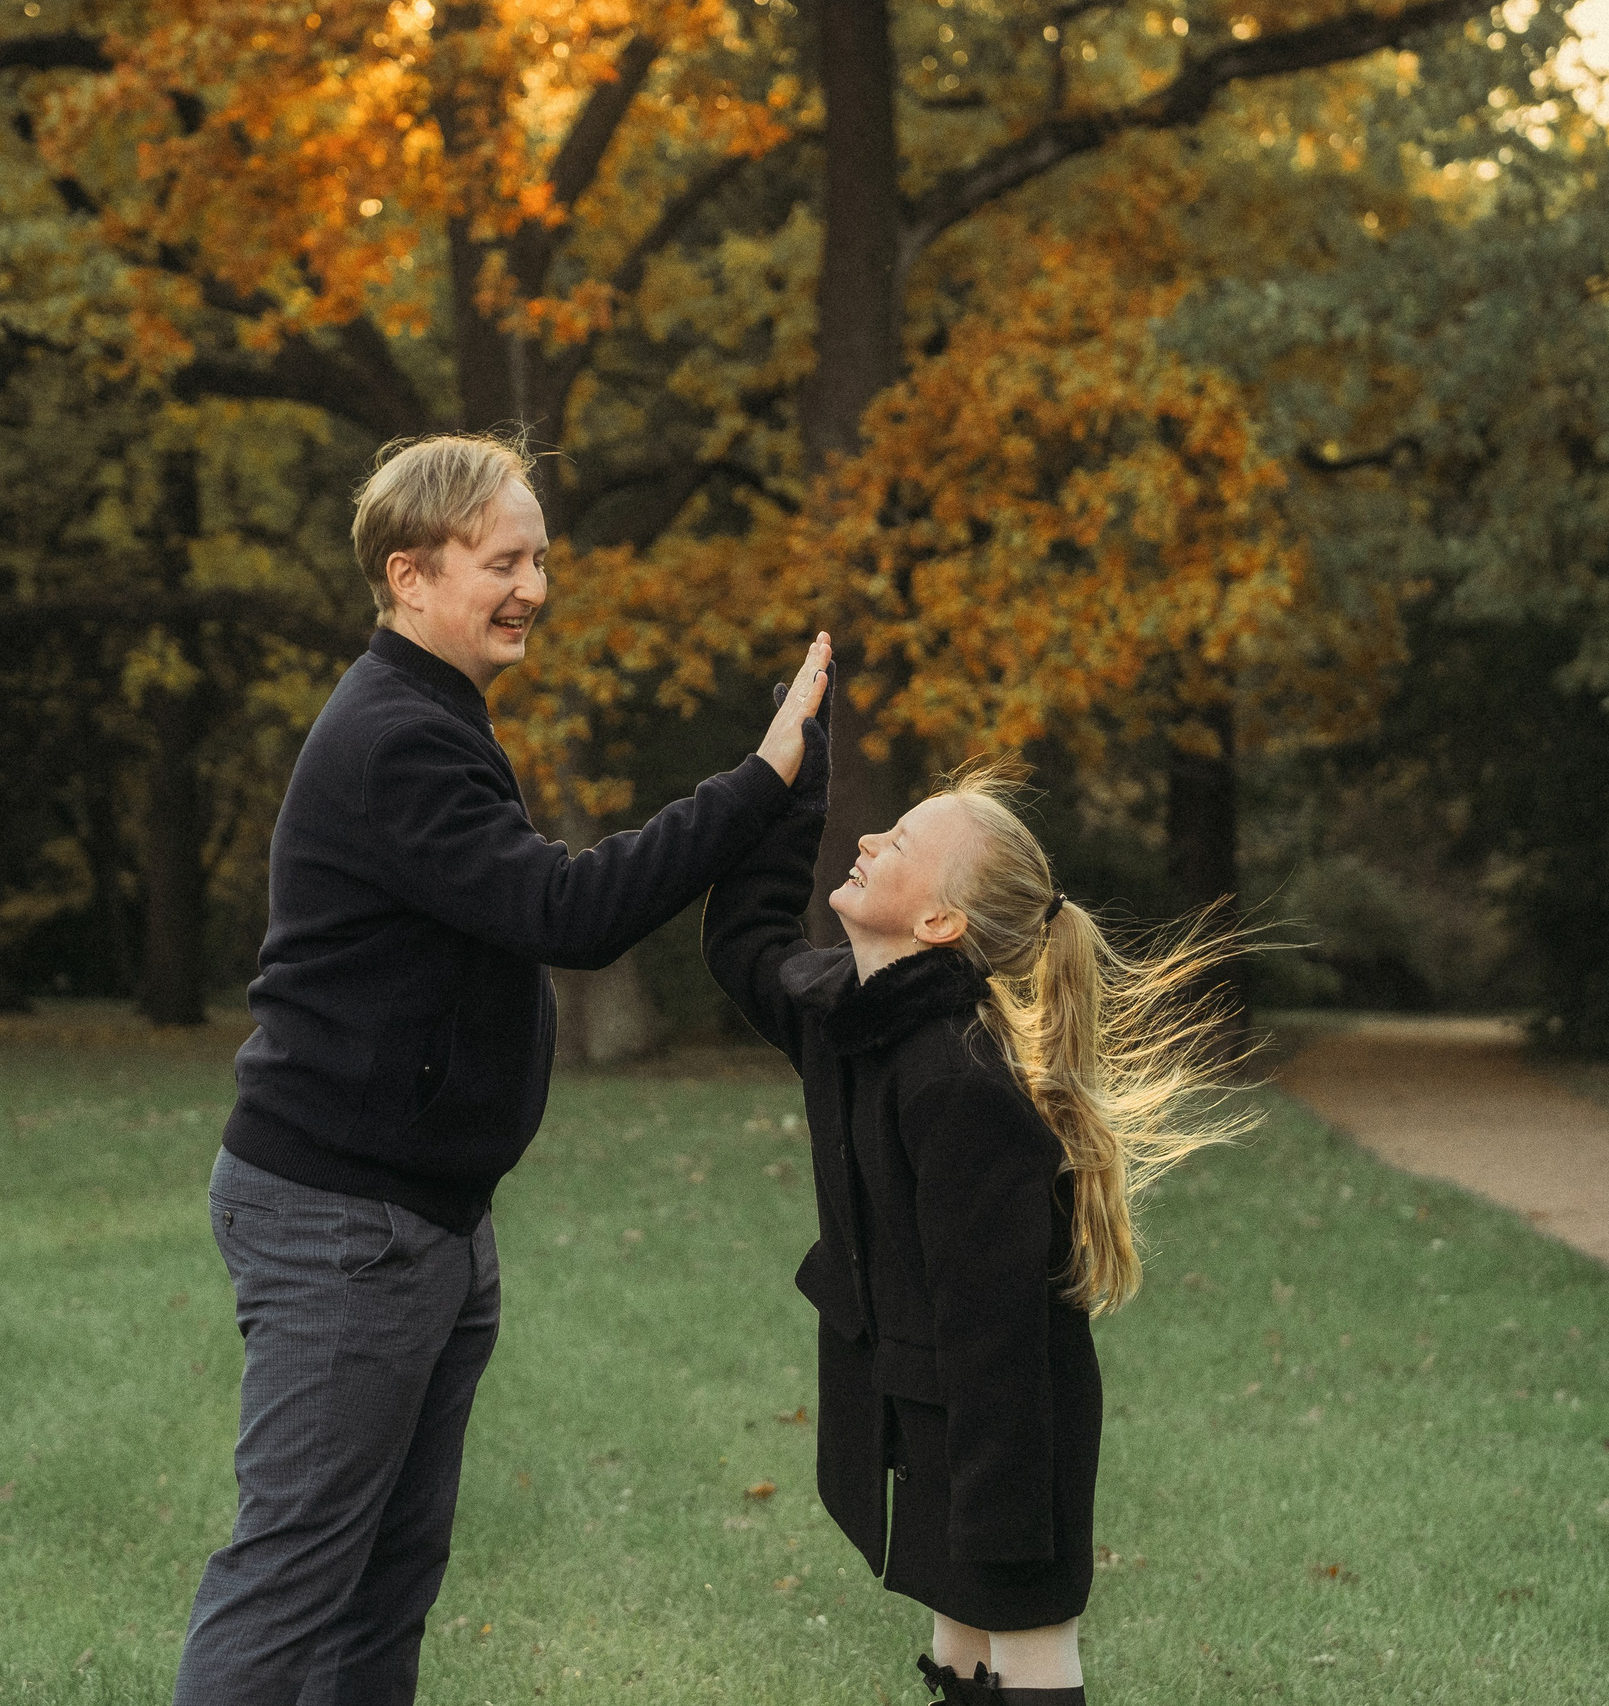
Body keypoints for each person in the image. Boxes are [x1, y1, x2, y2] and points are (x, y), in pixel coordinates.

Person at [171, 431, 833, 1706]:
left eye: (540, 558)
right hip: (344, 1224)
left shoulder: (432, 716)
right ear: (410, 573)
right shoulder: (396, 738)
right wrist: (757, 782)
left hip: (423, 1217)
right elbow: (568, 913)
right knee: (296, 1573)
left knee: (386, 1577)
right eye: (502, 560)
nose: (532, 585)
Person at [703, 748, 1241, 1706]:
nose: (868, 840)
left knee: (1023, 1653)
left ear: (940, 921)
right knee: (957, 1651)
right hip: (928, 1406)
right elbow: (742, 940)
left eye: (899, 839)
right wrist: (785, 780)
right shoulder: (848, 1015)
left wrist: (999, 1526)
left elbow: (999, 1338)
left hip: (1010, 1437)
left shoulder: (958, 1088)